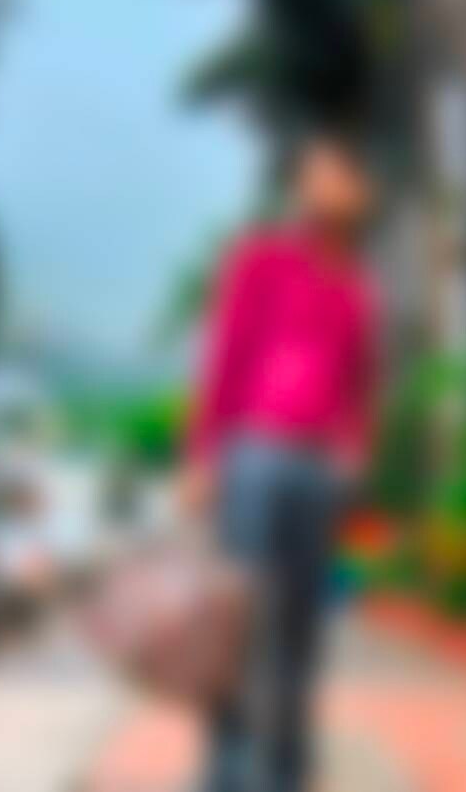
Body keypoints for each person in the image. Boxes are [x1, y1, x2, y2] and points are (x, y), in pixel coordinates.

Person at [181, 134, 381, 792]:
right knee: (237, 622)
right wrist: (203, 456)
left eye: (336, 174)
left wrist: (352, 453)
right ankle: (227, 770)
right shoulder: (259, 260)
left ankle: (288, 770)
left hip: (317, 471)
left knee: (301, 629)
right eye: (311, 174)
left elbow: (360, 387)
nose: (322, 185)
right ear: (299, 188)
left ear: (359, 193)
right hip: (253, 457)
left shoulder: (358, 289)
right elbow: (224, 356)